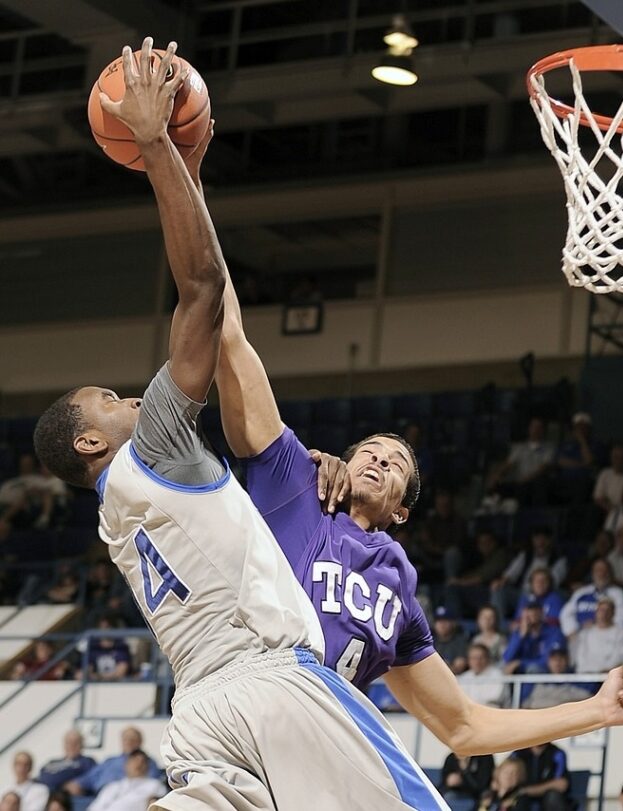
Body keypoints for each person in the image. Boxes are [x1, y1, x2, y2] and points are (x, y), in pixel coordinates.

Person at [34, 38, 449, 811]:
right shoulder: (153, 440)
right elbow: (203, 291)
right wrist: (160, 147)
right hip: (271, 682)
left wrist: (184, 169)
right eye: (107, 399)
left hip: (200, 711)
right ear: (89, 439)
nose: (129, 395)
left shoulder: (116, 516)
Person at [208, 98, 623, 763]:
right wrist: (184, 169)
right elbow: (230, 334)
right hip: (244, 710)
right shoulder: (296, 483)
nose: (379, 460)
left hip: (317, 747)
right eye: (370, 451)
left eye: (396, 463)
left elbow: (465, 728)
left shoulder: (398, 586)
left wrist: (598, 708)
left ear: (404, 508)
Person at [63, 727, 158, 798]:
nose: (128, 742)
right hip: (101, 796)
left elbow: (149, 783)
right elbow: (90, 777)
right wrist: (76, 784)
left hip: (126, 798)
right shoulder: (110, 761)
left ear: (140, 742)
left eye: (132, 739)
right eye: (125, 739)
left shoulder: (147, 762)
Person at [559, 558, 623, 641]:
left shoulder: (618, 593)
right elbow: (566, 614)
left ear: (610, 574)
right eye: (598, 570)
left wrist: (600, 627)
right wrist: (572, 631)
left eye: (605, 570)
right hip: (580, 637)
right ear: (592, 573)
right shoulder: (581, 593)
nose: (601, 573)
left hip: (606, 638)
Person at [503, 598, 566, 677]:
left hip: (547, 675)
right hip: (522, 675)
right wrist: (521, 637)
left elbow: (550, 661)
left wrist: (520, 663)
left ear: (542, 612)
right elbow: (507, 658)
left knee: (533, 669)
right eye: (528, 610)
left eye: (535, 610)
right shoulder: (518, 633)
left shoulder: (554, 632)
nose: (532, 613)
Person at [86, 751, 165, 811]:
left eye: (142, 762)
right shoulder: (112, 787)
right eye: (134, 761)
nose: (138, 765)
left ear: (147, 766)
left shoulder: (154, 785)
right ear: (126, 765)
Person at [573, 597, 623, 675]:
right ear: (596, 612)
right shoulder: (586, 633)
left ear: (613, 613)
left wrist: (606, 671)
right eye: (601, 610)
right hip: (587, 675)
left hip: (609, 676)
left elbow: (620, 656)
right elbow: (581, 658)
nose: (604, 613)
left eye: (607, 610)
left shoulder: (621, 632)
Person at [524, 645, 591, 709]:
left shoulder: (575, 685)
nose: (557, 662)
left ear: (567, 661)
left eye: (561, 658)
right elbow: (525, 706)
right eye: (554, 659)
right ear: (548, 661)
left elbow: (589, 700)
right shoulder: (538, 686)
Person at [511, 742, 571, 811]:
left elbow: (562, 784)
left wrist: (529, 790)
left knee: (552, 797)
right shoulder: (518, 753)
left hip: (547, 798)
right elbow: (505, 775)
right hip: (523, 798)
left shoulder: (556, 753)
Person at [433, 606, 469, 675]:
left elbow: (459, 668)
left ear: (453, 623)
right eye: (438, 621)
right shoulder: (429, 642)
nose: (442, 624)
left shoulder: (461, 641)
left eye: (445, 620)